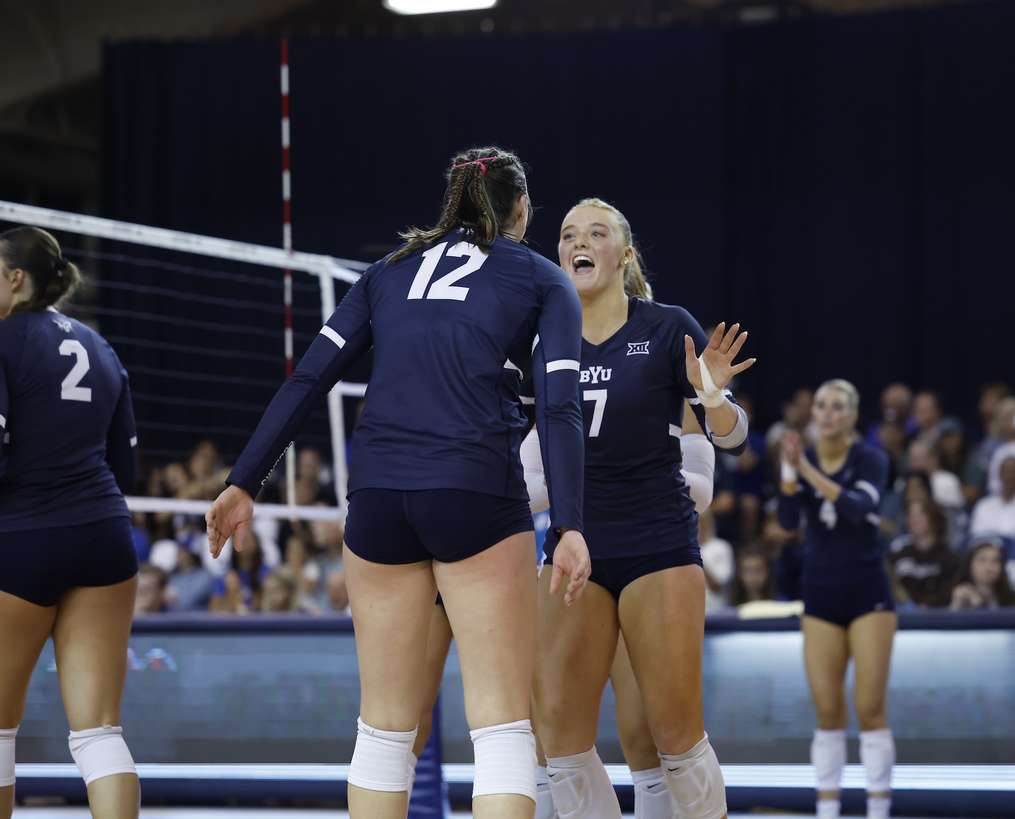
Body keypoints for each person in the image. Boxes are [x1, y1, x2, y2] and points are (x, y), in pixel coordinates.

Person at [206, 147, 592, 819]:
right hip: (473, 488)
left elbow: (308, 378)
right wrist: (569, 524)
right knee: (501, 726)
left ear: (451, 203)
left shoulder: (386, 272)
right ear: (522, 209)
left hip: (379, 496)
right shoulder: (540, 277)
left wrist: (245, 480)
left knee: (384, 729)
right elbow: (559, 406)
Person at [526, 197, 752, 819]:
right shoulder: (545, 338)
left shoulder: (664, 326)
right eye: (570, 233)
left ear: (623, 256)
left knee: (672, 735)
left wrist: (712, 397)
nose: (580, 241)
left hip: (656, 544)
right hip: (574, 546)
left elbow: (733, 438)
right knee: (561, 744)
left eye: (597, 233)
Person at [0, 227, 141, 818]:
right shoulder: (100, 347)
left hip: (24, 539)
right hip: (105, 535)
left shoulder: (3, 341)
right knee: (98, 732)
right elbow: (125, 464)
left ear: (14, 277)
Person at [778, 381, 896, 819]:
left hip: (869, 595)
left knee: (869, 707)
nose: (828, 414)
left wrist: (804, 471)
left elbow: (857, 507)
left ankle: (877, 809)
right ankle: (827, 811)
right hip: (821, 593)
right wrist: (789, 474)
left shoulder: (871, 459)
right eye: (822, 406)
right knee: (828, 711)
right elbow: (788, 521)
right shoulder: (800, 460)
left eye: (838, 407)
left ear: (852, 415)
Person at [886, 499, 960, 609]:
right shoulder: (897, 556)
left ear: (934, 518)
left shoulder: (950, 559)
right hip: (901, 617)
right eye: (910, 515)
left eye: (920, 515)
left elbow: (949, 593)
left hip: (937, 618)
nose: (913, 520)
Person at [969, 453, 1015, 539]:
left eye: (1014, 472)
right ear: (999, 475)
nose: (1009, 476)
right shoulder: (984, 506)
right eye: (1006, 472)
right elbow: (977, 537)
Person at [948, 540, 1015, 610]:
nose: (989, 567)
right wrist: (956, 605)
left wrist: (979, 604)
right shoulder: (958, 595)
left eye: (995, 561)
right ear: (969, 565)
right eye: (982, 560)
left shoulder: (1012, 600)